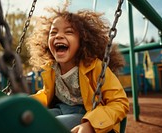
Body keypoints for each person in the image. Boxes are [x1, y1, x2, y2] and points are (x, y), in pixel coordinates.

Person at [26, 2, 129, 133]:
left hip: (87, 115)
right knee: (31, 120)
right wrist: (28, 103)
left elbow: (120, 102)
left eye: (69, 32)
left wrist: (91, 125)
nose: (58, 36)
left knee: (50, 126)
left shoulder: (95, 67)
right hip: (60, 109)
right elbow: (46, 94)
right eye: (53, 32)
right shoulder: (52, 68)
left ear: (83, 41)